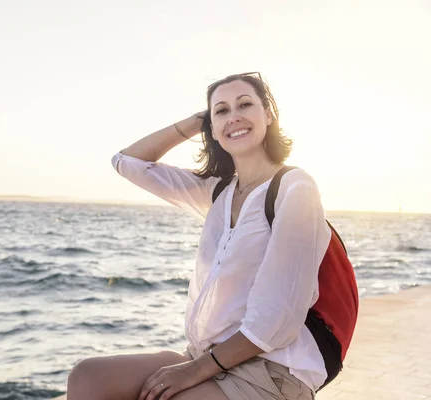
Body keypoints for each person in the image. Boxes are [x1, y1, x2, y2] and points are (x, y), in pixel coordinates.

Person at [66, 72, 331, 400]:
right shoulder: (217, 191)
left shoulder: (295, 187)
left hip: (271, 369)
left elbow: (274, 321)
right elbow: (127, 162)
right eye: (221, 110)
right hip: (207, 356)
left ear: (268, 115)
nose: (233, 116)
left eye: (245, 105)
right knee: (88, 378)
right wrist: (197, 122)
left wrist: (194, 371)